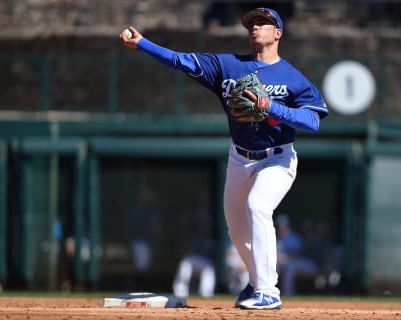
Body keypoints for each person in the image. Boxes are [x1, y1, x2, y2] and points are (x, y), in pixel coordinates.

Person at [119, 7, 328, 309]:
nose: (255, 27)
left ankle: (268, 291)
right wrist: (142, 44)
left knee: (258, 205)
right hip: (239, 158)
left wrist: (272, 107)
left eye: (263, 23)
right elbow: (181, 61)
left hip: (277, 158)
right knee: (236, 228)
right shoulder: (228, 66)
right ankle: (255, 282)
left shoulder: (292, 78)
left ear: (278, 33)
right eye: (252, 24)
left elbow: (313, 122)